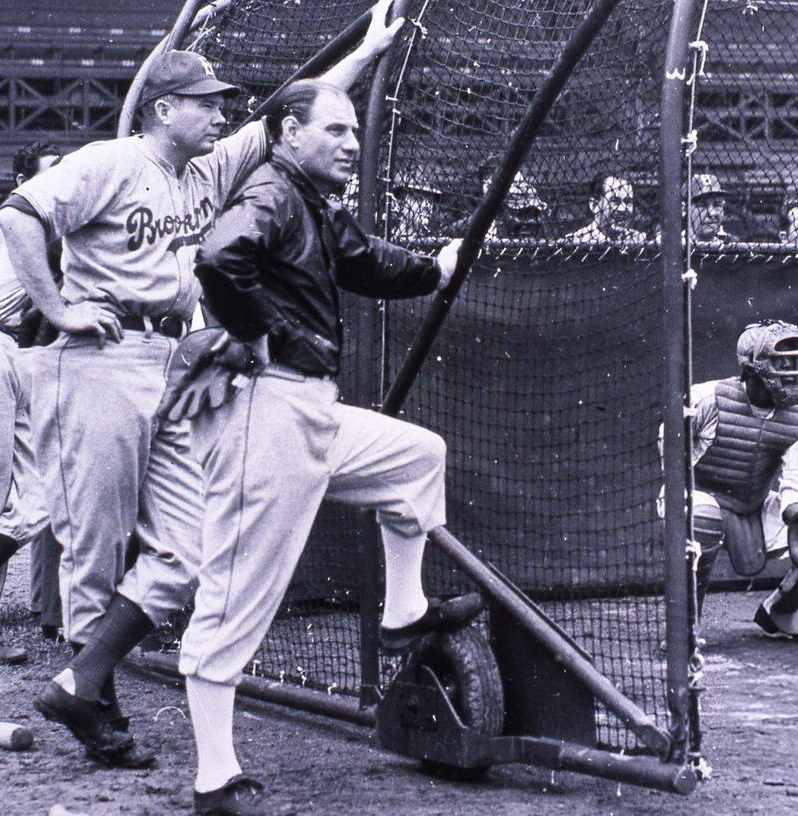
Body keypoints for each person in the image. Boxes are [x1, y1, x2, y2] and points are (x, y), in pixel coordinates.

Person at [0, 0, 410, 771]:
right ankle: (100, 709)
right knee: (98, 545)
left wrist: (366, 52)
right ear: (164, 109)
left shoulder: (209, 168)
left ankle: (81, 682)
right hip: (102, 358)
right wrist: (57, 307)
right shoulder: (109, 161)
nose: (222, 114)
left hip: (172, 363)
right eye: (206, 103)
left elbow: (292, 113)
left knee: (185, 546)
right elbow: (20, 214)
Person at [179, 78, 481, 816]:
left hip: (309, 407)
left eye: (354, 132)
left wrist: (437, 268)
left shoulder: (310, 202)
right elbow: (219, 260)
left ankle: (403, 609)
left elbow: (363, 260)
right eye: (336, 131)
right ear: (287, 132)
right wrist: (271, 331)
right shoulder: (272, 194)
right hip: (266, 407)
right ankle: (214, 779)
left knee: (416, 458)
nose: (352, 144)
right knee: (236, 594)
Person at [689, 320, 798, 642]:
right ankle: (684, 626)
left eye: (795, 361)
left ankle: (781, 610)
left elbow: (796, 481)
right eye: (780, 362)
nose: (790, 370)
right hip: (698, 495)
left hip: (753, 502)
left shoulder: (797, 419)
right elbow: (674, 461)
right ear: (751, 367)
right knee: (702, 518)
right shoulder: (705, 398)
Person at [0, 140, 64, 663]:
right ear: (22, 182)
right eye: (50, 173)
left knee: (37, 497)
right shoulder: (5, 223)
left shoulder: (63, 228)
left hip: (17, 355)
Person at [563, 172, 645, 244]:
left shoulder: (639, 240)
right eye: (614, 201)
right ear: (594, 205)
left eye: (628, 202)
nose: (623, 209)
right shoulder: (574, 242)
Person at [386, 163, 443, 240]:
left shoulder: (436, 241)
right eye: (419, 199)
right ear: (398, 204)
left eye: (430, 200)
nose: (427, 205)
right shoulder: (388, 242)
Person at [687, 172, 739, 243]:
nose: (712, 213)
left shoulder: (732, 245)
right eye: (702, 205)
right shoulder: (673, 248)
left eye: (717, 204)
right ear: (685, 209)